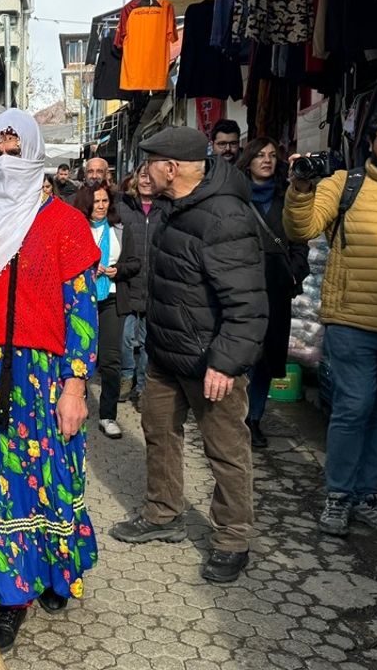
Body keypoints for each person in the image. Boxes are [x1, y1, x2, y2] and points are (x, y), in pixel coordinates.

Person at [0, 109, 100, 652]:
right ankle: (8, 593)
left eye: (15, 150)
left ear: (36, 153)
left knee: (51, 474)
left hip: (46, 378)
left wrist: (75, 385)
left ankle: (53, 572)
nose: (5, 160)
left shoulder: (65, 222)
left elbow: (83, 310)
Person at [109, 126, 267, 585]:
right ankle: (163, 514)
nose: (144, 172)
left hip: (210, 361)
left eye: (150, 163)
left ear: (171, 168)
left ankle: (233, 538)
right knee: (158, 432)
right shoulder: (167, 208)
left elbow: (248, 303)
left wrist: (225, 361)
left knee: (226, 451)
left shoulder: (224, 217)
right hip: (166, 353)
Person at [283, 104, 377, 538]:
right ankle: (338, 495)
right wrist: (301, 187)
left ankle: (368, 496)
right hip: (350, 321)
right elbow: (301, 227)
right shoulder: (345, 184)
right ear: (371, 144)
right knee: (353, 407)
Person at [235, 138, 311, 449]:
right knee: (242, 355)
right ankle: (235, 418)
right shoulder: (237, 198)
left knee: (266, 359)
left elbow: (300, 238)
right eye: (259, 155)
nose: (266, 160)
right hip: (241, 288)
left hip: (277, 289)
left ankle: (254, 418)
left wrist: (294, 271)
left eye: (271, 155)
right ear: (248, 160)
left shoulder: (287, 196)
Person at [73, 183, 143, 439]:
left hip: (112, 298)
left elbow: (135, 263)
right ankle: (73, 405)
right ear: (86, 203)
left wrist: (118, 270)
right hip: (82, 298)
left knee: (111, 360)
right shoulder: (77, 228)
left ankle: (107, 415)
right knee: (79, 355)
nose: (101, 206)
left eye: (104, 201)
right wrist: (89, 267)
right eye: (96, 201)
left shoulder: (120, 229)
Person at [117, 165, 161, 405]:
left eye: (150, 176)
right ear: (135, 179)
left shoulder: (164, 208)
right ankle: (126, 376)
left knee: (147, 341)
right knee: (124, 338)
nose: (146, 181)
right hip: (127, 283)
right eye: (143, 176)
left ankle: (143, 386)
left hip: (154, 285)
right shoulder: (124, 208)